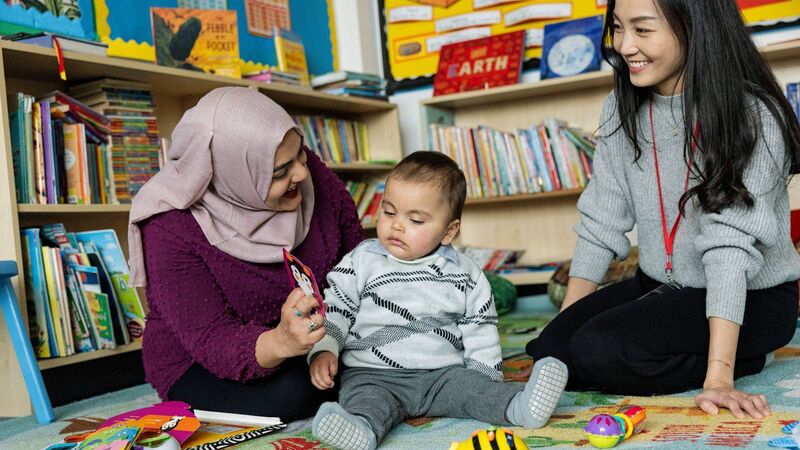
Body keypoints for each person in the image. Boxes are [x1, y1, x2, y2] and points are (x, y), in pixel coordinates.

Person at [526, 0, 800, 420]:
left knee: (600, 351)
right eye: (617, 28)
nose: (624, 45)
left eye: (642, 29)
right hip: (661, 283)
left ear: (693, 27)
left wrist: (720, 377)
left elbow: (729, 251)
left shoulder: (751, 114)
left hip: (751, 296)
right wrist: (562, 331)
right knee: (552, 355)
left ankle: (751, 358)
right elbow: (602, 220)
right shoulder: (620, 109)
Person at [127, 87, 364, 421]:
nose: (303, 173)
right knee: (302, 391)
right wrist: (281, 342)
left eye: (301, 155)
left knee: (394, 357)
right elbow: (212, 339)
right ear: (233, 173)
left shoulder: (309, 173)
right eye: (281, 172)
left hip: (321, 335)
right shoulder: (169, 227)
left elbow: (359, 260)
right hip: (203, 361)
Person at [306, 152, 569, 450]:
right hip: (374, 375)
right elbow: (336, 308)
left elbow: (480, 330)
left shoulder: (465, 274)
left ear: (449, 231)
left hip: (443, 376)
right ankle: (362, 430)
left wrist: (485, 381)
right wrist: (323, 350)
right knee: (365, 402)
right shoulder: (362, 259)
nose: (397, 226)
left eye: (415, 219)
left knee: (476, 393)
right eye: (389, 212)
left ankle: (521, 407)